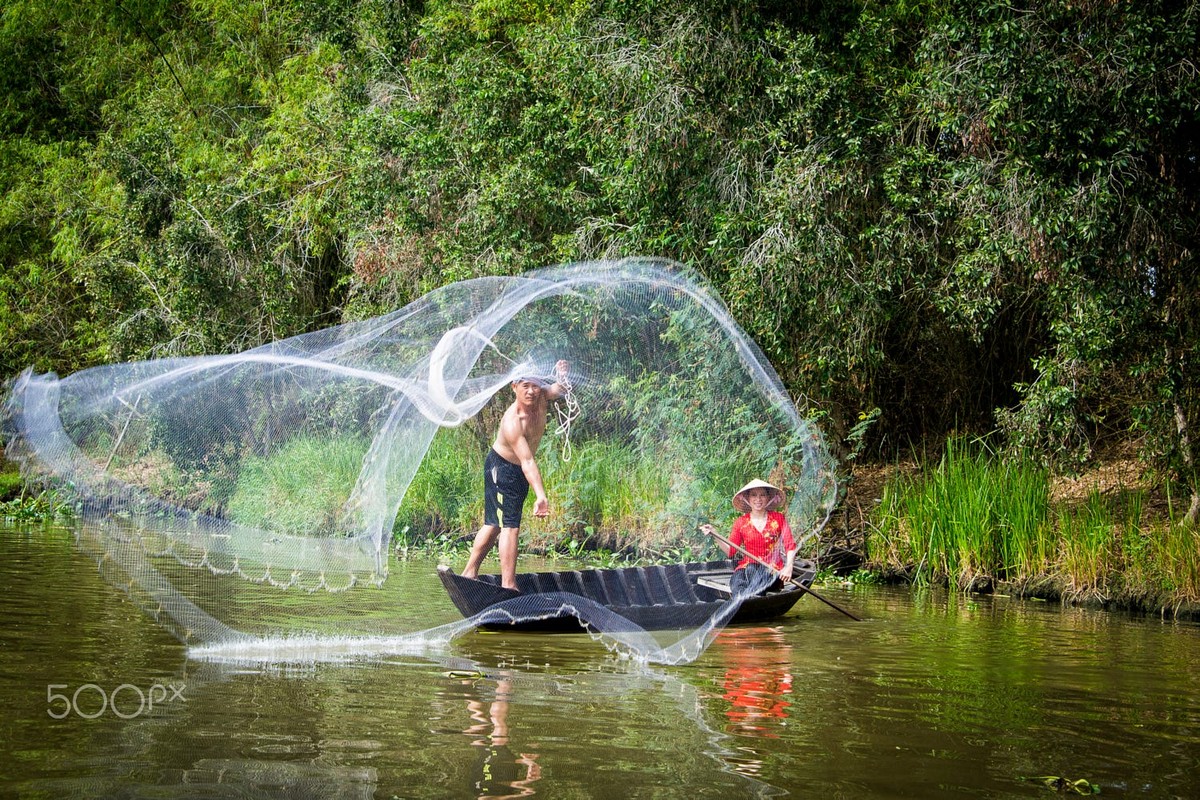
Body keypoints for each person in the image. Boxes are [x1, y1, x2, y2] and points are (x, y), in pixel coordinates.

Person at [462, 360, 570, 590]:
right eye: (525, 386)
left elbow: (558, 390)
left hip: (517, 471)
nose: (531, 391)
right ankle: (508, 585)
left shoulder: (541, 397)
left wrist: (562, 376)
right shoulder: (513, 422)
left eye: (535, 386)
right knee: (509, 525)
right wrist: (541, 495)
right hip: (501, 469)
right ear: (514, 387)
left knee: (494, 524)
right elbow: (528, 461)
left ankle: (469, 573)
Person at [700, 478, 797, 596]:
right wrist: (715, 534)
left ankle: (749, 598)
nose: (758, 499)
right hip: (746, 567)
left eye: (762, 495)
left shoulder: (778, 519)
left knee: (752, 570)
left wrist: (789, 567)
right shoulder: (741, 522)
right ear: (747, 499)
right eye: (754, 495)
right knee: (737, 582)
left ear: (768, 498)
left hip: (772, 569)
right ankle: (744, 602)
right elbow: (731, 551)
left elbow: (790, 545)